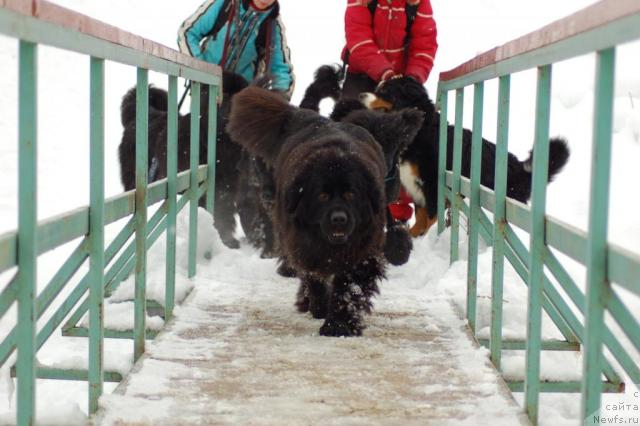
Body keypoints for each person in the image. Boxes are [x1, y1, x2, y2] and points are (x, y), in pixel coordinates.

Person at [341, 0, 438, 225]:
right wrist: (385, 72)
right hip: (363, 75)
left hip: (400, 81)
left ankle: (396, 214)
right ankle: (349, 204)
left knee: (404, 145)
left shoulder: (418, 4)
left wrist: (412, 80)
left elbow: (424, 44)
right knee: (349, 139)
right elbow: (359, 39)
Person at [178, 0, 294, 98]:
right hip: (205, 89)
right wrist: (200, 71)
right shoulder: (225, 3)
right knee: (200, 124)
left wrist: (276, 103)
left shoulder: (273, 26)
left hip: (240, 100)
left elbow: (281, 71)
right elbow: (188, 33)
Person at [341, 0, 437, 98]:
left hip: (401, 80)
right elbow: (359, 42)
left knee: (414, 111)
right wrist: (386, 74)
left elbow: (424, 46)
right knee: (350, 111)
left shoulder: (419, 2)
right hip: (361, 74)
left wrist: (413, 79)